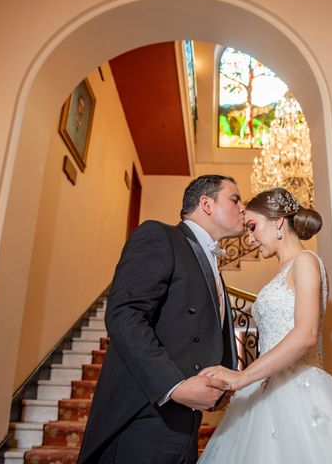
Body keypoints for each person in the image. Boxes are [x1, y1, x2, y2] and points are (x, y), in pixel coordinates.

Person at [197, 187, 332, 463]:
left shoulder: (305, 261)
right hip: (264, 391)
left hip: (297, 393)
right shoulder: (283, 270)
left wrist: (242, 377)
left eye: (253, 227)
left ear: (278, 221)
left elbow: (305, 335)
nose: (251, 238)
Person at [78, 175, 245, 464]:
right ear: (206, 204)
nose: (243, 208)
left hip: (186, 421)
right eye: (235, 199)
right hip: (145, 413)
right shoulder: (159, 236)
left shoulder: (212, 262)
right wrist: (175, 387)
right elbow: (124, 316)